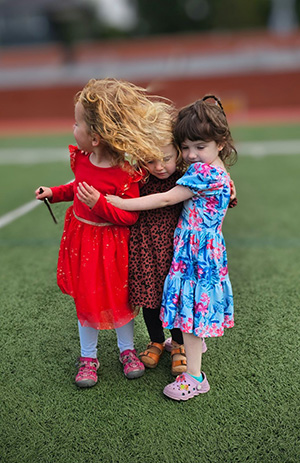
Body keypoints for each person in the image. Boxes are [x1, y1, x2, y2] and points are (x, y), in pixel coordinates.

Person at [35, 78, 174, 388]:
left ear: (95, 137)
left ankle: (127, 351)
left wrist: (98, 204)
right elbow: (77, 188)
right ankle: (88, 357)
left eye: (77, 124)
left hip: (113, 244)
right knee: (86, 299)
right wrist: (55, 193)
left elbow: (129, 216)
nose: (73, 129)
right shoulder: (81, 160)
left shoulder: (125, 172)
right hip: (82, 240)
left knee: (120, 299)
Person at [106, 95, 237, 401]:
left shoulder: (204, 174)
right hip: (206, 248)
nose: (190, 155)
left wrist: (122, 203)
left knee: (190, 315)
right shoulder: (218, 169)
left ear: (220, 143)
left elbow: (165, 198)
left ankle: (194, 377)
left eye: (199, 147)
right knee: (192, 310)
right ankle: (190, 346)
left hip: (196, 255)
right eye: (186, 147)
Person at [129, 142, 208, 376]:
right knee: (149, 298)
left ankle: (178, 344)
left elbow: (211, 195)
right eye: (151, 161)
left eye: (166, 158)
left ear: (177, 154)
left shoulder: (185, 179)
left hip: (176, 252)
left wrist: (231, 192)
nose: (160, 167)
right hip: (145, 250)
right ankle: (155, 341)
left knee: (175, 299)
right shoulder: (139, 181)